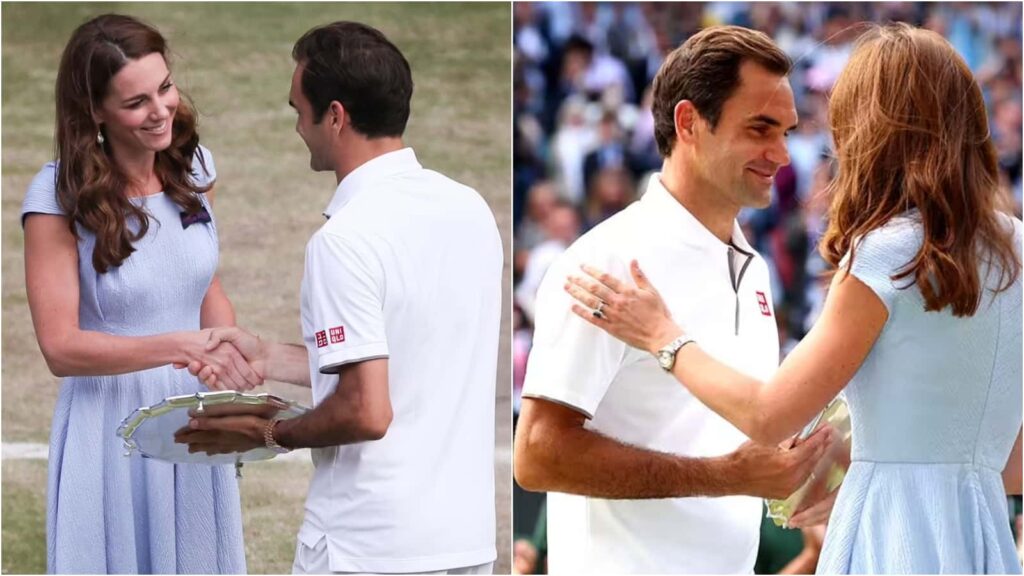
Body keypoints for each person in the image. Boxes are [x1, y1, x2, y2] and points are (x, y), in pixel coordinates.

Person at [564, 23, 1023, 574]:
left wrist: (663, 336)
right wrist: (882, 449)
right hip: (983, 536)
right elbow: (1011, 458)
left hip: (890, 532)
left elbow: (769, 416)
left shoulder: (887, 252)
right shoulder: (1014, 245)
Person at [174, 21, 503, 575]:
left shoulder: (343, 240)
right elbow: (404, 357)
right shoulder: (471, 209)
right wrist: (270, 357)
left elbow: (365, 410)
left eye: (299, 110)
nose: (298, 126)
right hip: (466, 544)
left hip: (368, 549)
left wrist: (270, 431)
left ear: (336, 116)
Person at [512, 26, 834, 574]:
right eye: (760, 129)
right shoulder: (607, 261)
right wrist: (727, 476)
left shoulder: (753, 268)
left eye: (786, 131)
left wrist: (795, 478)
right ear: (688, 123)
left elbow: (728, 442)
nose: (781, 154)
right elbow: (537, 454)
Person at [22, 13, 261, 573]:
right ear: (94, 112)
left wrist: (225, 364)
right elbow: (61, 349)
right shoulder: (56, 198)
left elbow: (205, 285)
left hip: (192, 413)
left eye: (165, 87)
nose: (160, 111)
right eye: (136, 103)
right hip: (109, 425)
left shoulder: (195, 168)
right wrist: (183, 347)